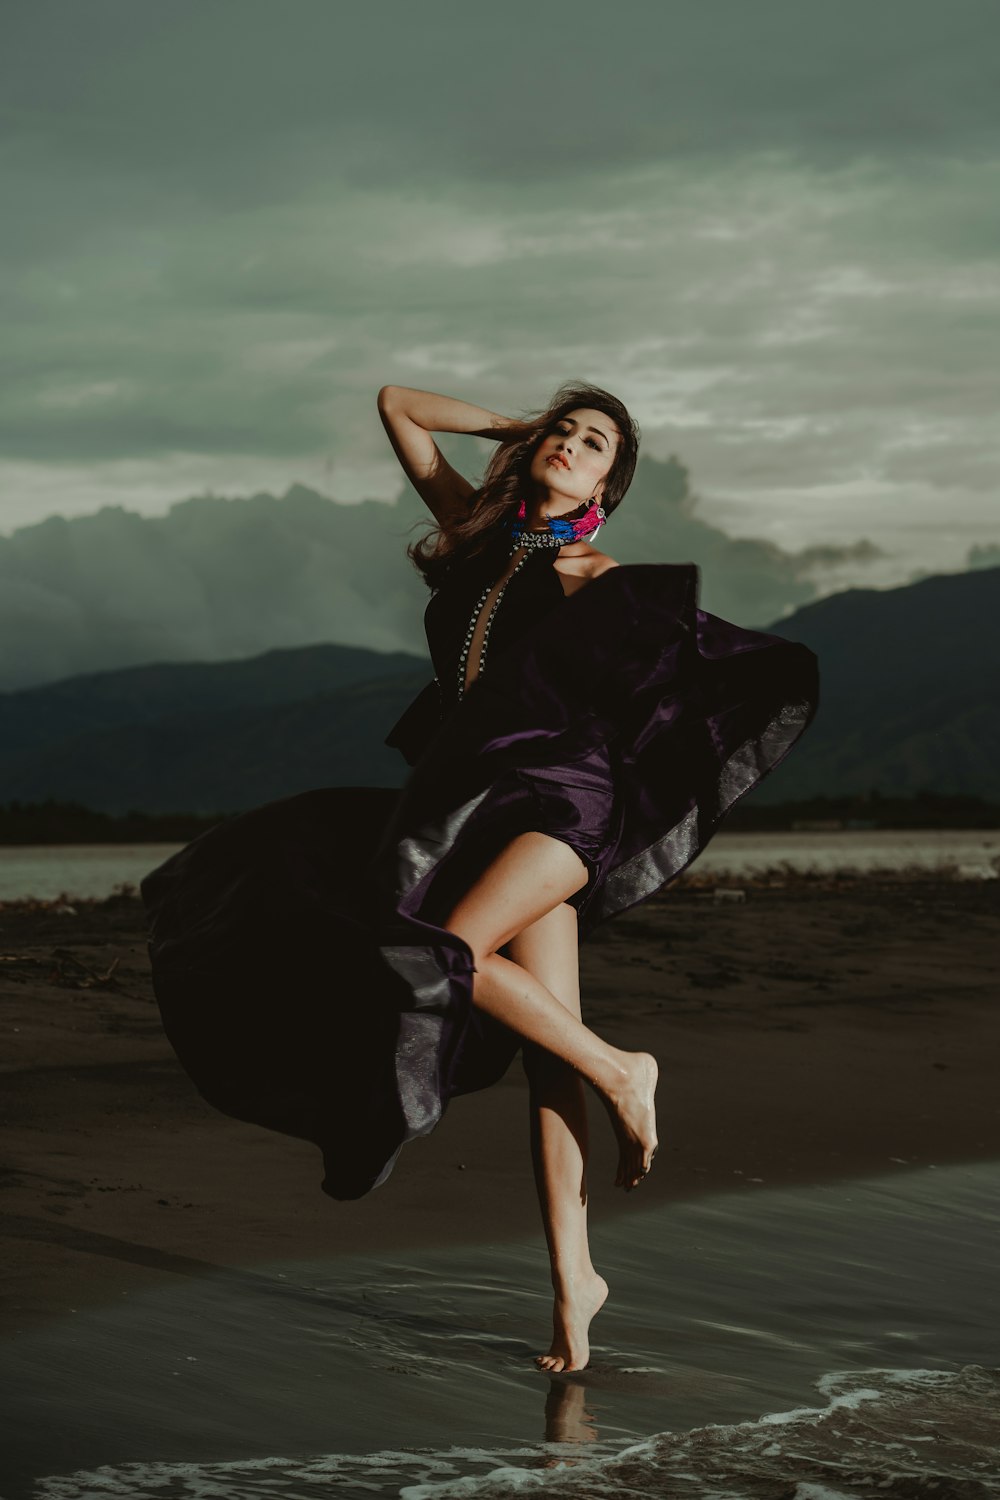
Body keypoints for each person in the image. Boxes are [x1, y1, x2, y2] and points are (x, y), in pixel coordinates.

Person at [141, 380, 819, 1374]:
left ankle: (622, 1070)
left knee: (434, 947)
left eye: (595, 446)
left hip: (561, 804)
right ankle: (575, 1288)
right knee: (547, 1051)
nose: (575, 445)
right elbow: (397, 406)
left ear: (605, 487)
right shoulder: (472, 532)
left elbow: (661, 682)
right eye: (569, 430)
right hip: (471, 800)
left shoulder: (590, 566)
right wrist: (525, 429)